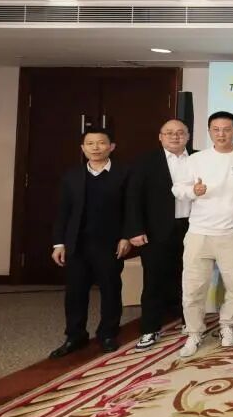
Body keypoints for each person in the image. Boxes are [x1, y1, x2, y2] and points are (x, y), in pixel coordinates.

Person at [172, 111, 233, 358]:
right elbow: (177, 188)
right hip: (200, 233)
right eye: (216, 129)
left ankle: (227, 326)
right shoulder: (196, 159)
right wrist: (193, 191)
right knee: (193, 287)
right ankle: (194, 332)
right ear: (209, 132)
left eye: (226, 129)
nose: (221, 134)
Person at [50, 127, 130, 358]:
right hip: (77, 244)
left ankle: (108, 334)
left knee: (110, 290)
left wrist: (126, 236)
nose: (96, 148)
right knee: (75, 292)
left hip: (109, 243)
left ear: (111, 147)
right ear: (83, 148)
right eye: (90, 143)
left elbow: (131, 208)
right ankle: (75, 336)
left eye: (101, 143)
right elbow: (63, 212)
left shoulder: (124, 173)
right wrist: (58, 243)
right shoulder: (72, 176)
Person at [125, 119, 193, 352]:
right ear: (160, 136)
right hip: (156, 229)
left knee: (190, 278)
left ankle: (190, 323)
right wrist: (135, 229)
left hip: (194, 227)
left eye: (180, 132)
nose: (175, 136)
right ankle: (150, 329)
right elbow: (133, 197)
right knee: (153, 280)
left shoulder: (199, 158)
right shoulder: (145, 161)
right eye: (169, 133)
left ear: (188, 136)